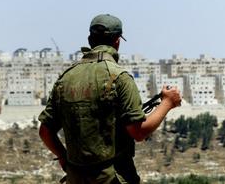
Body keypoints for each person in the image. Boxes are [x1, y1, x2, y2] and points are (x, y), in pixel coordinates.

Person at [38, 14, 182, 184]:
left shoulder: (65, 79)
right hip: (112, 177)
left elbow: (45, 131)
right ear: (117, 41)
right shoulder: (119, 77)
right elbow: (139, 132)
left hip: (75, 178)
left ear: (90, 40)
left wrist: (64, 158)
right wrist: (167, 102)